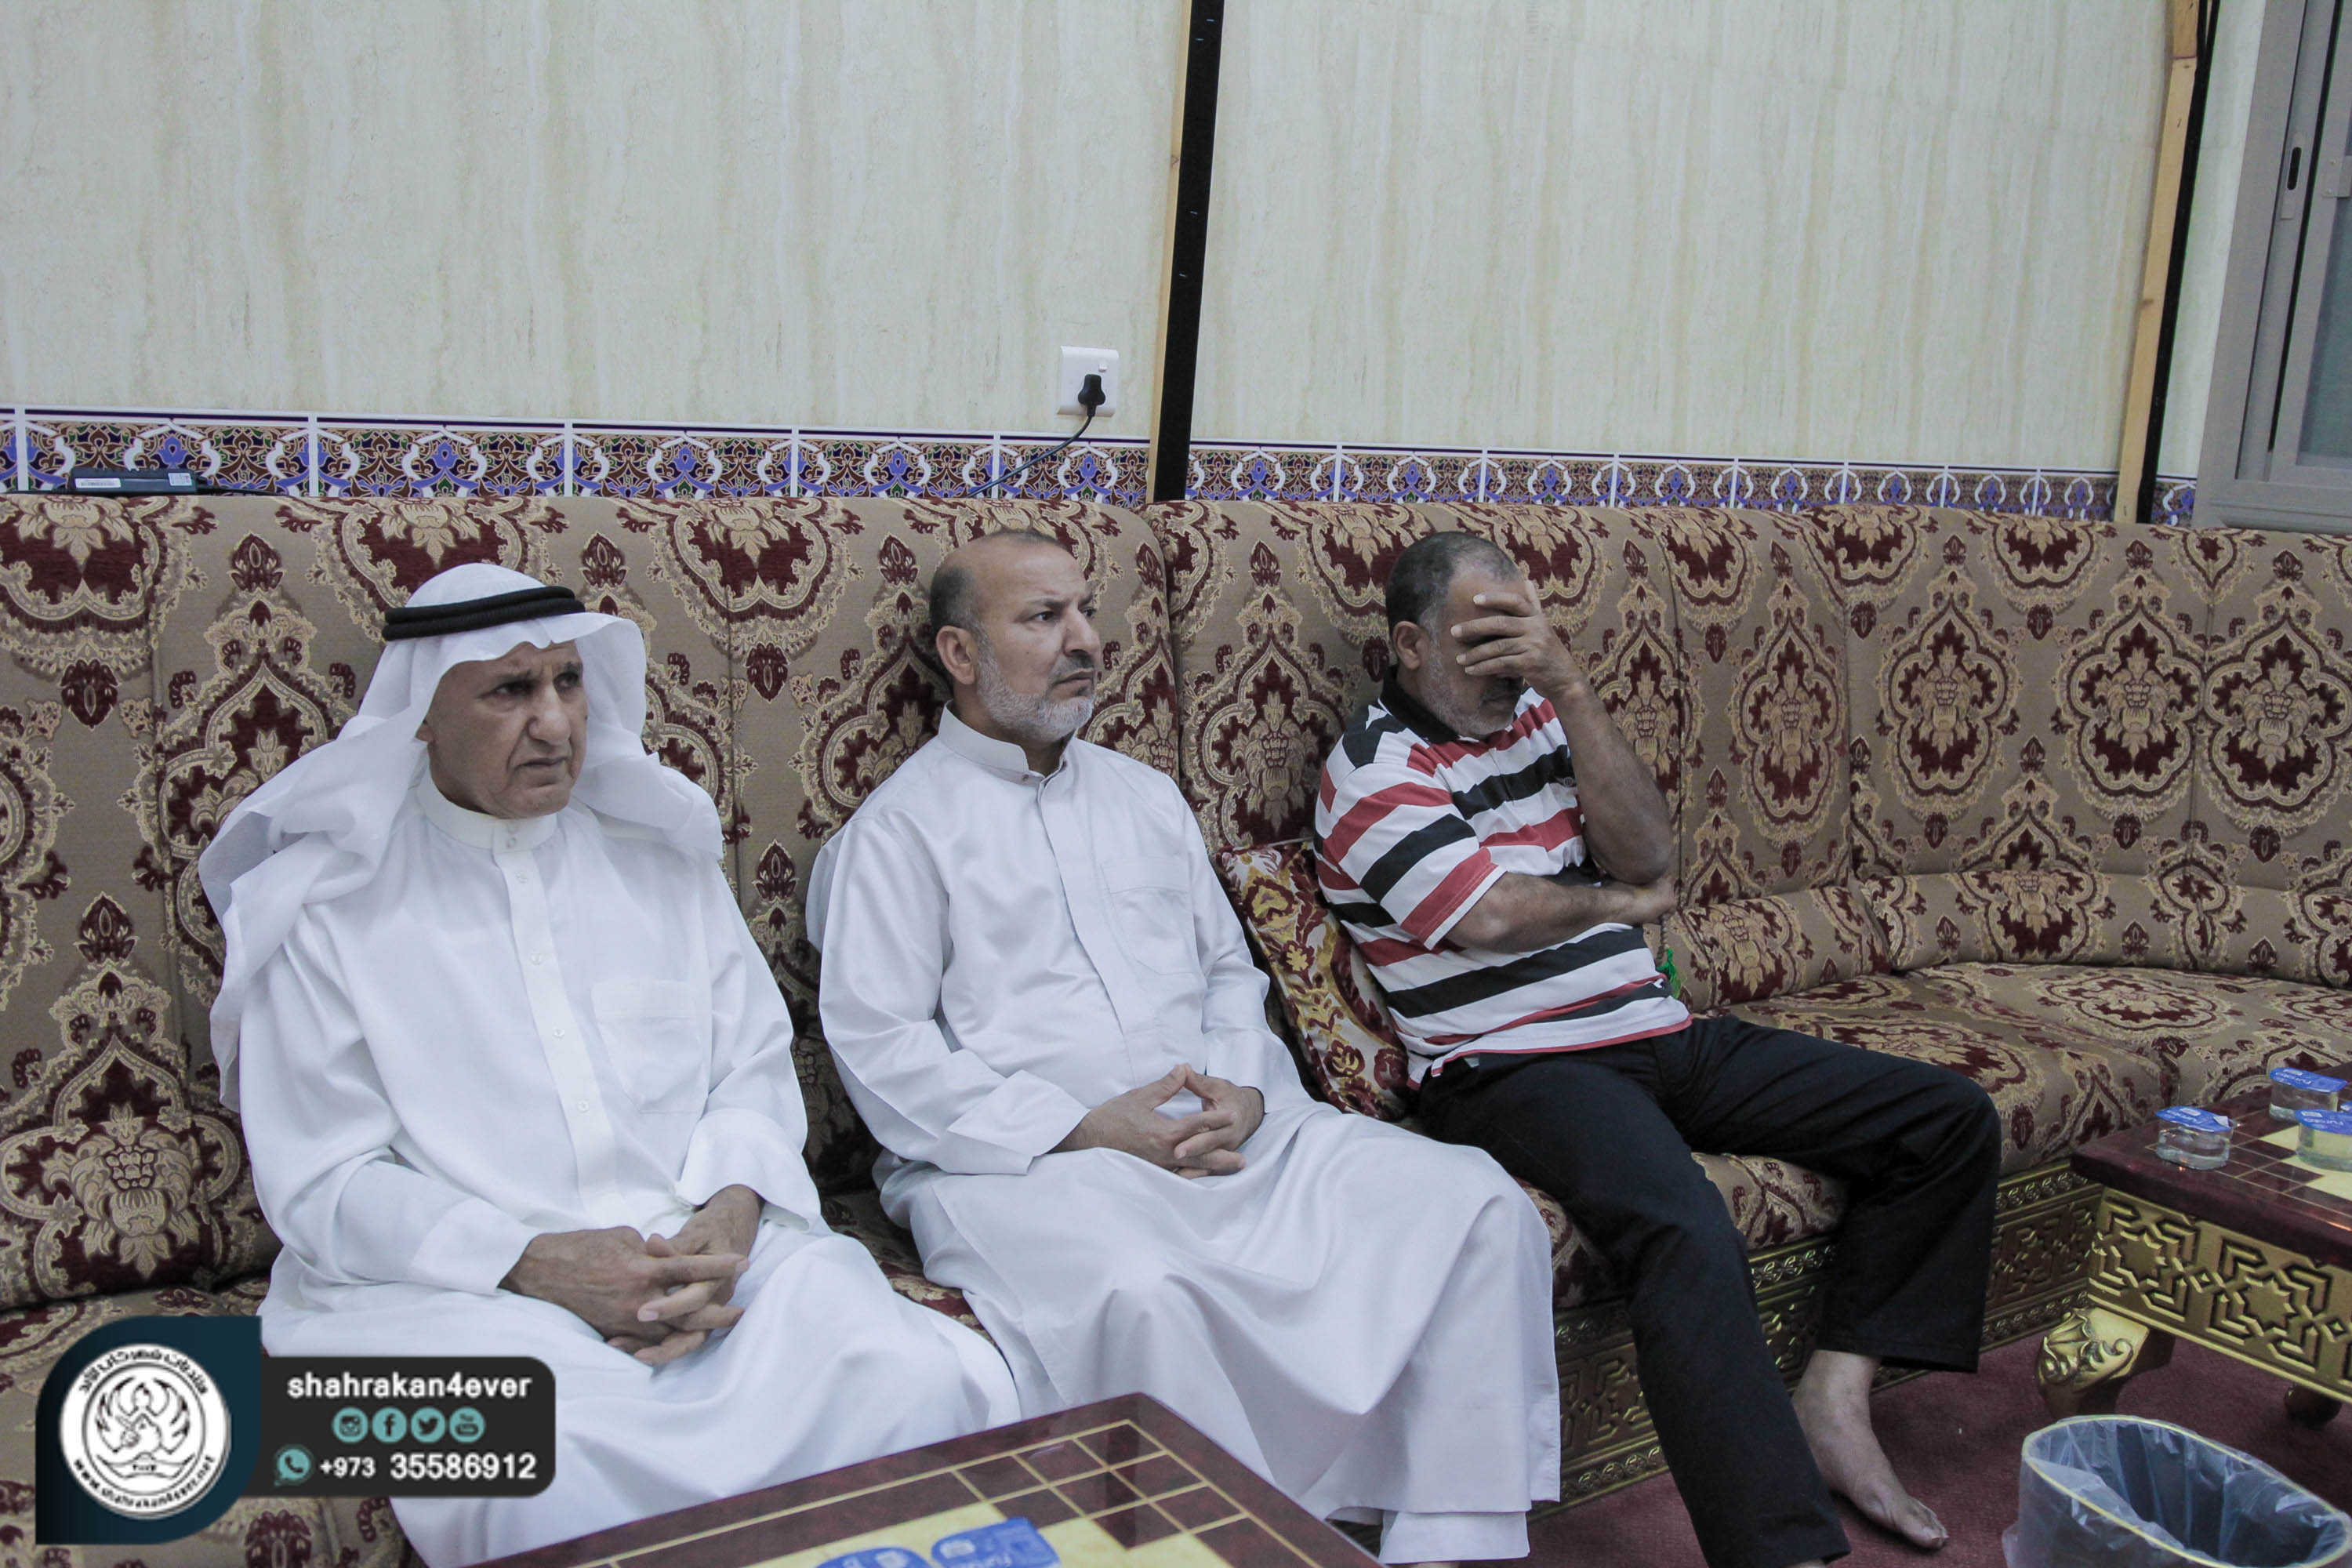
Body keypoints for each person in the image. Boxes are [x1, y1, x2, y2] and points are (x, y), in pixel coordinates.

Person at [201, 563, 1018, 1568]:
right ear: (422, 716)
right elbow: (326, 1180)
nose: (554, 722)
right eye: (510, 690)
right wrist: (538, 1263)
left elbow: (750, 1067)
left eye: (568, 682)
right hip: (463, 1298)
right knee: (544, 1473)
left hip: (709, 1261)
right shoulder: (326, 908)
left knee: (915, 1381)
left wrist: (731, 1211)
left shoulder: (656, 857)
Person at [809, 529, 1561, 1567]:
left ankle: (1449, 1540)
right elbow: (884, 1048)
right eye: (1044, 618)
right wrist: (1081, 1128)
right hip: (1031, 1170)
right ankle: (1236, 1548)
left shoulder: (1144, 796)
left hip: (1230, 1128)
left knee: (1474, 1201)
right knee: (1142, 1291)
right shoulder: (896, 835)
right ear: (960, 653)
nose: (1086, 639)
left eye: (1085, 610)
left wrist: (1244, 1092)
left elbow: (1225, 974)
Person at [1316, 532, 2003, 1568]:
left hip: (1655, 1031)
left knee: (1945, 1119)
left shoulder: (1540, 711)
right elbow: (1490, 915)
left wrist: (1571, 687)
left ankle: (1834, 1397)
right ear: (1411, 646)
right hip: (1510, 1065)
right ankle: (1778, 1550)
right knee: (1685, 1225)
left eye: (1522, 631)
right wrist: (1620, 906)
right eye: (1482, 642)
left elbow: (1649, 850)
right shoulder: (1372, 769)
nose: (1509, 663)